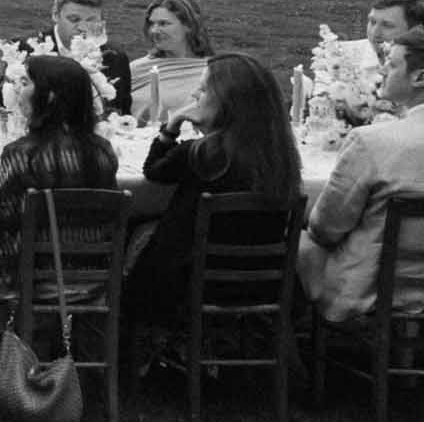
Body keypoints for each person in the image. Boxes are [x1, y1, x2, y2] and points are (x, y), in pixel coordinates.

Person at [124, 53, 302, 324]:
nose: (195, 93)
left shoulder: (201, 153)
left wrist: (170, 128)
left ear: (228, 102)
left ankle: (135, 336)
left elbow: (154, 171)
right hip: (263, 281)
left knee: (139, 232)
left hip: (191, 281)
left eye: (204, 88)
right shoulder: (280, 155)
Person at [0, 57, 120, 288]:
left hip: (29, 271)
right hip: (92, 269)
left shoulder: (22, 154)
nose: (17, 90)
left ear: (50, 96)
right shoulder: (102, 150)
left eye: (25, 83)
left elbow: (3, 220)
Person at [298, 27, 424, 324]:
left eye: (392, 65)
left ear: (420, 77)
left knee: (297, 240)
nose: (382, 70)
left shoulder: (373, 142)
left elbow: (326, 227)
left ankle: (288, 354)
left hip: (373, 293)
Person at [28, 0, 133, 115]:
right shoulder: (27, 50)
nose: (83, 28)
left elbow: (121, 112)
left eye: (91, 20)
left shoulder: (115, 57)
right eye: (74, 19)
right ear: (55, 14)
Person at [129, 0, 214, 126]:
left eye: (163, 23)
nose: (154, 30)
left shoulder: (213, 71)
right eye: (151, 24)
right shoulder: (136, 69)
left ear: (189, 26)